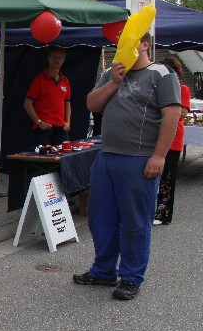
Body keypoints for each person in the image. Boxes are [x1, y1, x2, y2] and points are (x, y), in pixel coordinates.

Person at [73, 34, 181, 300]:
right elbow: (92, 104)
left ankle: (131, 277)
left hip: (139, 158)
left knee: (135, 221)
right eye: (121, 44)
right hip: (107, 155)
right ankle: (103, 271)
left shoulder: (161, 73)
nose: (124, 48)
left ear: (145, 44)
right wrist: (114, 82)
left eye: (131, 42)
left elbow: (172, 115)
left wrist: (159, 156)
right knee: (101, 218)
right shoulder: (112, 72)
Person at [154, 56, 191, 226]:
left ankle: (163, 213)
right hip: (154, 137)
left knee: (167, 177)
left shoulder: (182, 89)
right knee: (153, 175)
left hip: (174, 138)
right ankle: (149, 210)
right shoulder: (155, 87)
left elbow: (182, 113)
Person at [23, 46, 71, 146]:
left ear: (63, 60)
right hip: (44, 127)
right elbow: (27, 103)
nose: (56, 60)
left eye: (59, 57)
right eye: (53, 57)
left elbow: (67, 104)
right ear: (48, 58)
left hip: (61, 127)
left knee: (65, 157)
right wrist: (38, 122)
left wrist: (68, 122)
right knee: (45, 159)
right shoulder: (39, 80)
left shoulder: (65, 80)